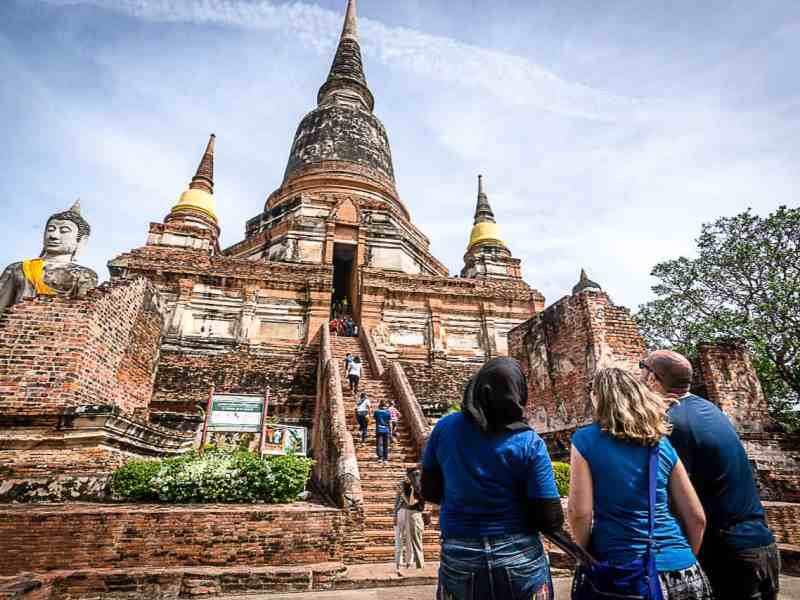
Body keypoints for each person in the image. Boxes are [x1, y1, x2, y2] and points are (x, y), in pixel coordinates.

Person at [642, 350, 781, 600]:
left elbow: (676, 504)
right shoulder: (709, 410)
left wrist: (684, 559)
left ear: (652, 380)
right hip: (760, 545)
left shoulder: (671, 423)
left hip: (727, 555)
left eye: (643, 372)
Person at [421, 357, 563, 600]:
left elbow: (430, 491)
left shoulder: (444, 428)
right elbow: (550, 517)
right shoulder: (529, 442)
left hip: (460, 552)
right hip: (519, 553)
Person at [568, 367, 711, 600]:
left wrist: (584, 557)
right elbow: (697, 518)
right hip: (684, 570)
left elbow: (580, 513)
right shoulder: (661, 443)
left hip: (624, 570)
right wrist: (680, 559)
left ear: (599, 397)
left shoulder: (586, 439)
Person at [394, 467, 426, 576]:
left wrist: (410, 490)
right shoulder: (407, 486)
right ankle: (405, 564)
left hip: (414, 515)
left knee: (414, 541)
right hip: (406, 514)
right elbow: (400, 501)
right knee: (406, 540)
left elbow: (411, 503)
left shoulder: (418, 488)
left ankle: (415, 564)